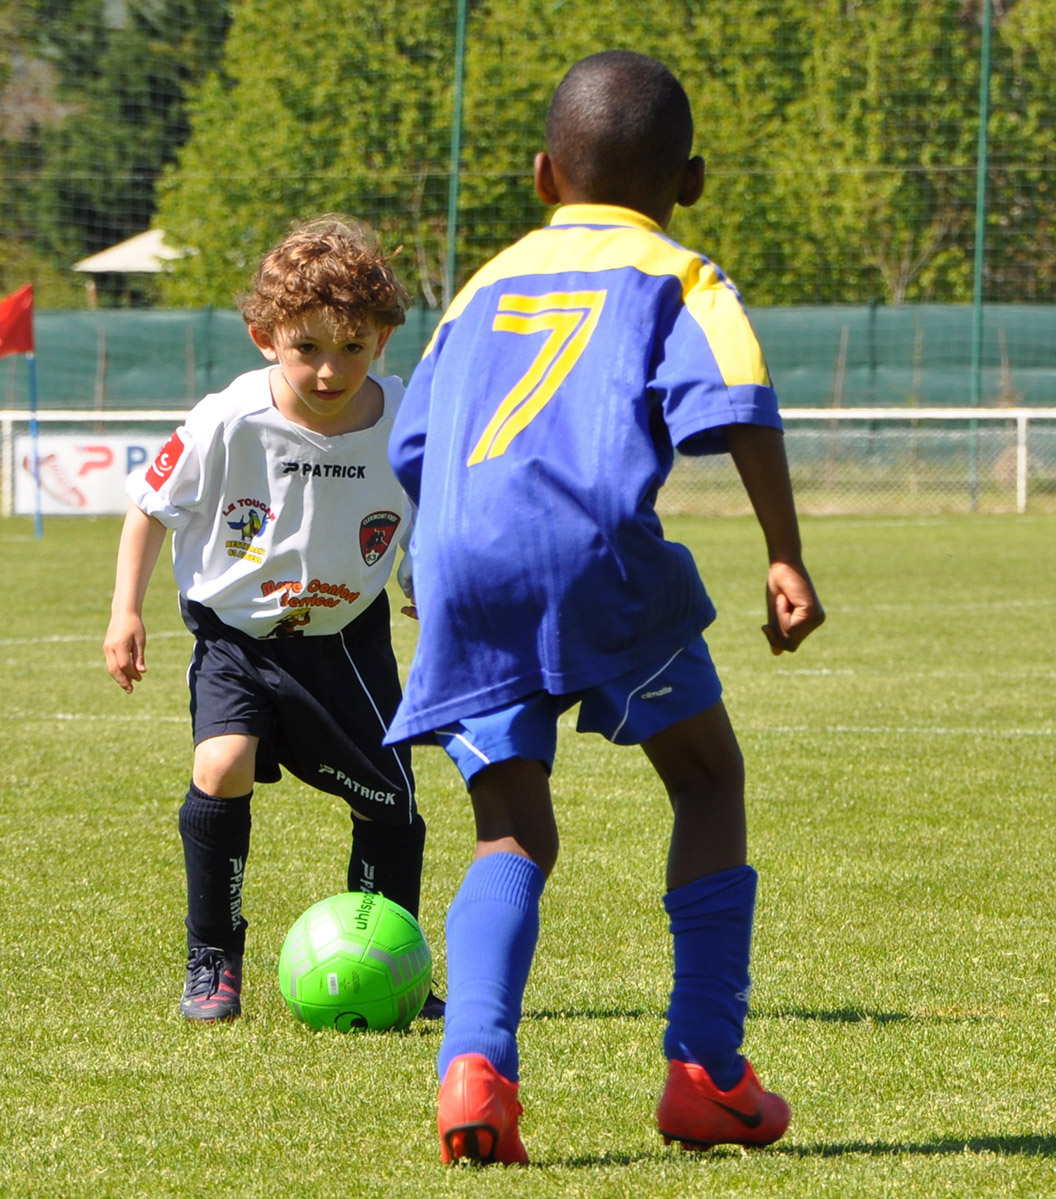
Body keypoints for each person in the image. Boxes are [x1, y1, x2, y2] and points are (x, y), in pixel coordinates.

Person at [384, 50, 824, 1163]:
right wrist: (784, 552)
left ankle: (474, 1074)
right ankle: (706, 1072)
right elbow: (743, 404)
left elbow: (415, 442)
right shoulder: (680, 276)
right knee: (708, 774)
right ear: (695, 180)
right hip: (595, 557)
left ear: (543, 174)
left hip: (459, 567)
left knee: (511, 829)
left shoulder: (481, 287)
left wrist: (426, 570)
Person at [104, 215, 442, 1023]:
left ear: (383, 342)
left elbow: (432, 505)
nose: (331, 370)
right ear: (266, 337)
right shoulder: (229, 418)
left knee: (390, 802)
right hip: (239, 638)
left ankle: (386, 954)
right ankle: (212, 958)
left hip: (346, 641)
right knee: (221, 765)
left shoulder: (404, 417)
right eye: (309, 348)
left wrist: (424, 578)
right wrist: (125, 612)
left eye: (353, 348)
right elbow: (149, 507)